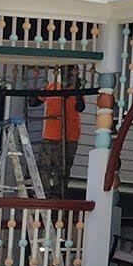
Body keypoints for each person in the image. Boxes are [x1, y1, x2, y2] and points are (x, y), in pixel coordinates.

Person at [32, 68, 84, 199]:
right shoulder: (52, 87)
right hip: (51, 136)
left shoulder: (78, 91)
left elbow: (80, 107)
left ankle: (58, 196)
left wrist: (76, 92)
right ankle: (43, 194)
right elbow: (33, 102)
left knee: (62, 170)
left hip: (70, 137)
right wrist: (36, 91)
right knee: (44, 167)